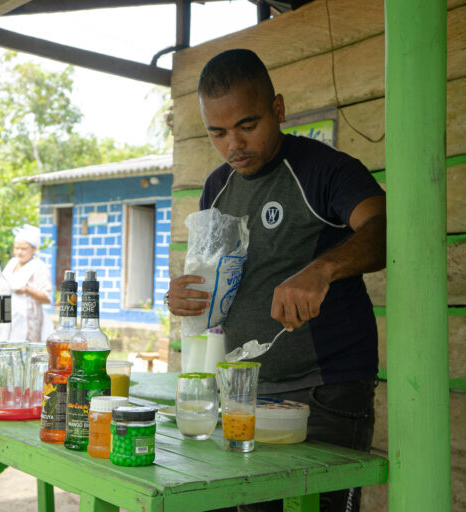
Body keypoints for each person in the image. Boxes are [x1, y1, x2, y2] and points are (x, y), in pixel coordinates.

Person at [165, 49, 386, 512]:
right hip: (242, 392)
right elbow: (211, 275)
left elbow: (388, 229)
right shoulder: (216, 186)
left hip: (323, 393)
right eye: (218, 133)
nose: (234, 145)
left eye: (248, 125)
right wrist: (184, 296)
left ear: (278, 110)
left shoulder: (323, 169)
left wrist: (322, 269)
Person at [2, 224, 54, 343]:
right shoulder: (12, 263)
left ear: (34, 248)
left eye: (24, 249)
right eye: (16, 248)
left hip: (28, 320)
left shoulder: (39, 267)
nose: (19, 252)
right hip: (9, 318)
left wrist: (26, 290)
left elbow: (47, 298)